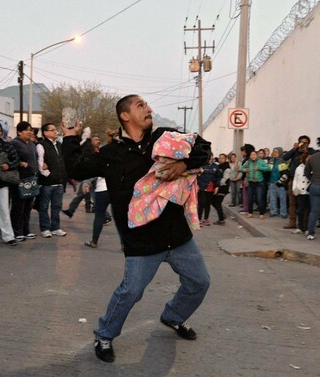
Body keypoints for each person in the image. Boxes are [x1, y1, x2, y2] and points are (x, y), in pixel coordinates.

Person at [62, 94, 211, 363]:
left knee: (200, 282)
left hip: (177, 236)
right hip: (141, 242)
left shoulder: (164, 138)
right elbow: (75, 167)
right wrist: (71, 136)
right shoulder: (112, 155)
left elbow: (201, 146)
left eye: (148, 105)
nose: (149, 109)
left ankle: (173, 316)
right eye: (141, 105)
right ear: (125, 116)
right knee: (131, 292)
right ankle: (104, 335)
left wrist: (184, 163)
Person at [36, 122, 68, 238]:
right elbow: (40, 165)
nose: (55, 131)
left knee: (57, 206)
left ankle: (55, 227)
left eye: (55, 129)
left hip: (59, 183)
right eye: (52, 130)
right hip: (47, 183)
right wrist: (49, 175)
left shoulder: (59, 145)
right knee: (43, 207)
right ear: (45, 133)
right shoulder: (41, 145)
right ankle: (45, 228)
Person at [10, 121, 38, 241]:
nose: (30, 132)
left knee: (28, 206)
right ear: (19, 132)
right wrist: (20, 163)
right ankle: (16, 231)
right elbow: (9, 158)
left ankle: (26, 230)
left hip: (31, 178)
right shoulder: (15, 143)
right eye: (27, 130)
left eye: (30, 130)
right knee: (18, 206)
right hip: (20, 179)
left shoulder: (31, 144)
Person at [62, 131, 101, 217]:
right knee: (84, 193)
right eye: (95, 139)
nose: (97, 141)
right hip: (89, 175)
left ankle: (72, 210)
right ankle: (73, 210)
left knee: (88, 194)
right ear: (91, 141)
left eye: (98, 139)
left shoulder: (99, 150)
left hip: (95, 176)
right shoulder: (88, 150)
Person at [282, 135, 315, 229]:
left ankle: (304, 224)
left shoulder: (311, 151)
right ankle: (292, 222)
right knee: (292, 202)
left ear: (308, 143)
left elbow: (314, 159)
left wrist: (306, 152)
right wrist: (293, 149)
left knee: (305, 204)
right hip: (294, 180)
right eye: (302, 142)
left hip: (306, 181)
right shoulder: (295, 151)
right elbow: (284, 158)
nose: (303, 144)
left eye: (305, 142)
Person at [239, 150, 270, 219]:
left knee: (259, 198)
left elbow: (268, 168)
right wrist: (244, 170)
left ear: (257, 155)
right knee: (250, 198)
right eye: (251, 155)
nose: (253, 156)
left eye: (254, 155)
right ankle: (250, 213)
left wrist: (259, 168)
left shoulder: (261, 161)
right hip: (251, 182)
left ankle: (261, 213)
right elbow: (240, 168)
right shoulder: (248, 162)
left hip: (259, 182)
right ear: (250, 156)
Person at [196, 153, 220, 226]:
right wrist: (197, 185)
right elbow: (197, 176)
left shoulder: (216, 167)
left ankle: (206, 219)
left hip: (211, 188)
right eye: (210, 157)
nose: (212, 158)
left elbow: (218, 177)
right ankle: (199, 219)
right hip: (202, 187)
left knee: (208, 204)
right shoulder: (202, 166)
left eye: (212, 157)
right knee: (202, 203)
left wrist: (217, 186)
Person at [291, 153, 311, 234]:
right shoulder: (299, 168)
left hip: (309, 191)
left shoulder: (313, 168)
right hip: (300, 191)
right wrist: (295, 188)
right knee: (300, 210)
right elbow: (295, 179)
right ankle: (300, 226)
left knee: (308, 210)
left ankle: (307, 227)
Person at [267, 147, 289, 218]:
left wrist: (281, 181)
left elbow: (287, 172)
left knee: (282, 199)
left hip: (281, 183)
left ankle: (283, 213)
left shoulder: (284, 161)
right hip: (272, 182)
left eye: (276, 152)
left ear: (280, 152)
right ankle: (273, 211)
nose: (274, 153)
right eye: (274, 152)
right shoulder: (271, 160)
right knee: (272, 198)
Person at [211, 153, 230, 225]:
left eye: (222, 158)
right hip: (217, 187)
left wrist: (218, 185)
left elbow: (225, 178)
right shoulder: (218, 166)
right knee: (212, 201)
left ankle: (221, 220)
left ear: (226, 159)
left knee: (217, 203)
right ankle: (222, 215)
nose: (221, 159)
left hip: (223, 188)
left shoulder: (227, 167)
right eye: (219, 158)